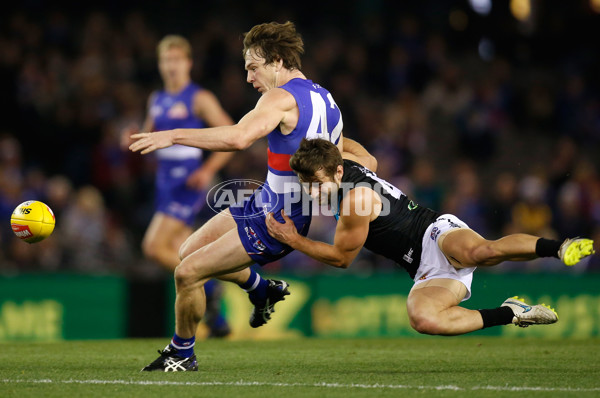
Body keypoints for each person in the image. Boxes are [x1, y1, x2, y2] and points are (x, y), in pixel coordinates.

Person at [129, 22, 344, 371]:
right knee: (185, 251)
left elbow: (239, 137)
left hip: (278, 218)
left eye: (252, 67)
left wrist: (174, 135)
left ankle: (181, 352)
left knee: (187, 273)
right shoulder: (325, 96)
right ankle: (261, 289)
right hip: (266, 202)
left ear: (277, 61)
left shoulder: (280, 96)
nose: (248, 78)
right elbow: (341, 151)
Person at [265, 137, 595, 336]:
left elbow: (342, 258)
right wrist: (333, 138)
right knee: (422, 319)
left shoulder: (356, 200)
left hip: (433, 232)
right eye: (306, 184)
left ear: (337, 172)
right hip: (422, 268)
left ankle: (560, 247)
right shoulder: (344, 163)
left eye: (316, 183)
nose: (312, 191)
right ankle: (512, 312)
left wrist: (293, 239)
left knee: (479, 252)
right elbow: (368, 158)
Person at [121, 35, 235, 338]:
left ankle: (209, 289)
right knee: (186, 251)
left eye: (176, 60)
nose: (171, 66)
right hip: (164, 184)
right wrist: (132, 138)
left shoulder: (200, 98)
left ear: (188, 63)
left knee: (153, 247)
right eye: (166, 60)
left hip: (188, 182)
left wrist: (207, 169)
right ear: (160, 64)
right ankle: (218, 318)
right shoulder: (156, 99)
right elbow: (148, 135)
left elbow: (232, 136)